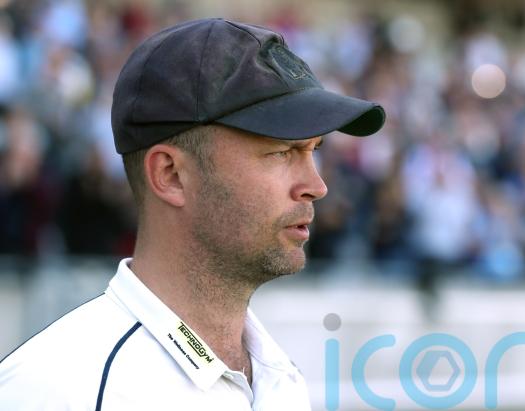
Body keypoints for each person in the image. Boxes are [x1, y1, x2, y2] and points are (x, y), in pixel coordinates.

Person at [0, 18, 385, 410]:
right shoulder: (56, 392)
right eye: (281, 152)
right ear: (170, 175)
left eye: (313, 150)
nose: (316, 186)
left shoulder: (280, 377)